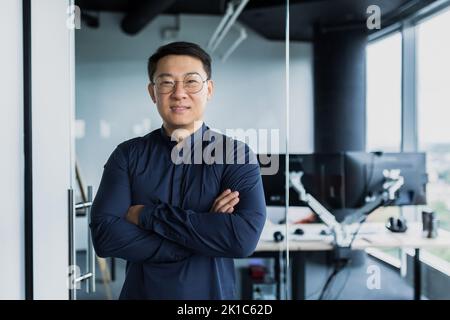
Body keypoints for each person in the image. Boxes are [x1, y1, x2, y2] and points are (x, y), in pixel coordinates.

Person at [90, 41, 267, 299]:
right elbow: (105, 237)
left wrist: (147, 216)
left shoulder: (235, 155)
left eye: (191, 82)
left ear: (209, 89)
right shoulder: (128, 155)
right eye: (166, 82)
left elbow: (242, 240)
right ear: (153, 92)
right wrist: (205, 234)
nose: (179, 93)